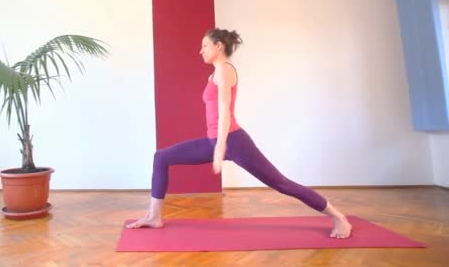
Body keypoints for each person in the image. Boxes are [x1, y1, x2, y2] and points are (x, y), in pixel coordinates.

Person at [126, 28, 352, 239]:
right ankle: (154, 216)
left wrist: (220, 149)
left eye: (205, 46)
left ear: (219, 46)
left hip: (233, 140)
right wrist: (216, 145)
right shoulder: (215, 74)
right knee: (161, 157)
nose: (200, 50)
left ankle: (338, 217)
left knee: (281, 184)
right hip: (214, 140)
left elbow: (225, 112)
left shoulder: (224, 70)